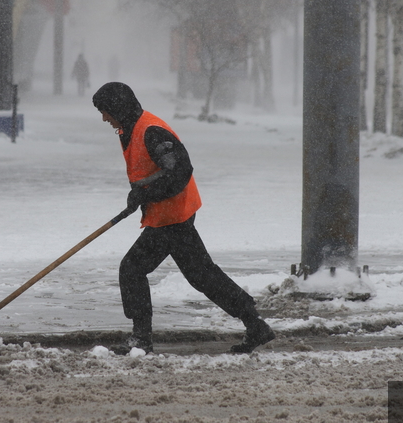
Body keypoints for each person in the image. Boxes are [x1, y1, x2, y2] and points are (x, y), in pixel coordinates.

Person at [92, 82, 275, 355]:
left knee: (132, 269)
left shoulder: (151, 131)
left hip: (173, 216)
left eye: (106, 111)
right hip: (167, 215)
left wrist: (148, 194)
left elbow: (180, 170)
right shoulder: (129, 128)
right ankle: (255, 324)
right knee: (202, 275)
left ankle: (141, 339)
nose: (104, 118)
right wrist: (139, 195)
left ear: (118, 107)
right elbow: (151, 171)